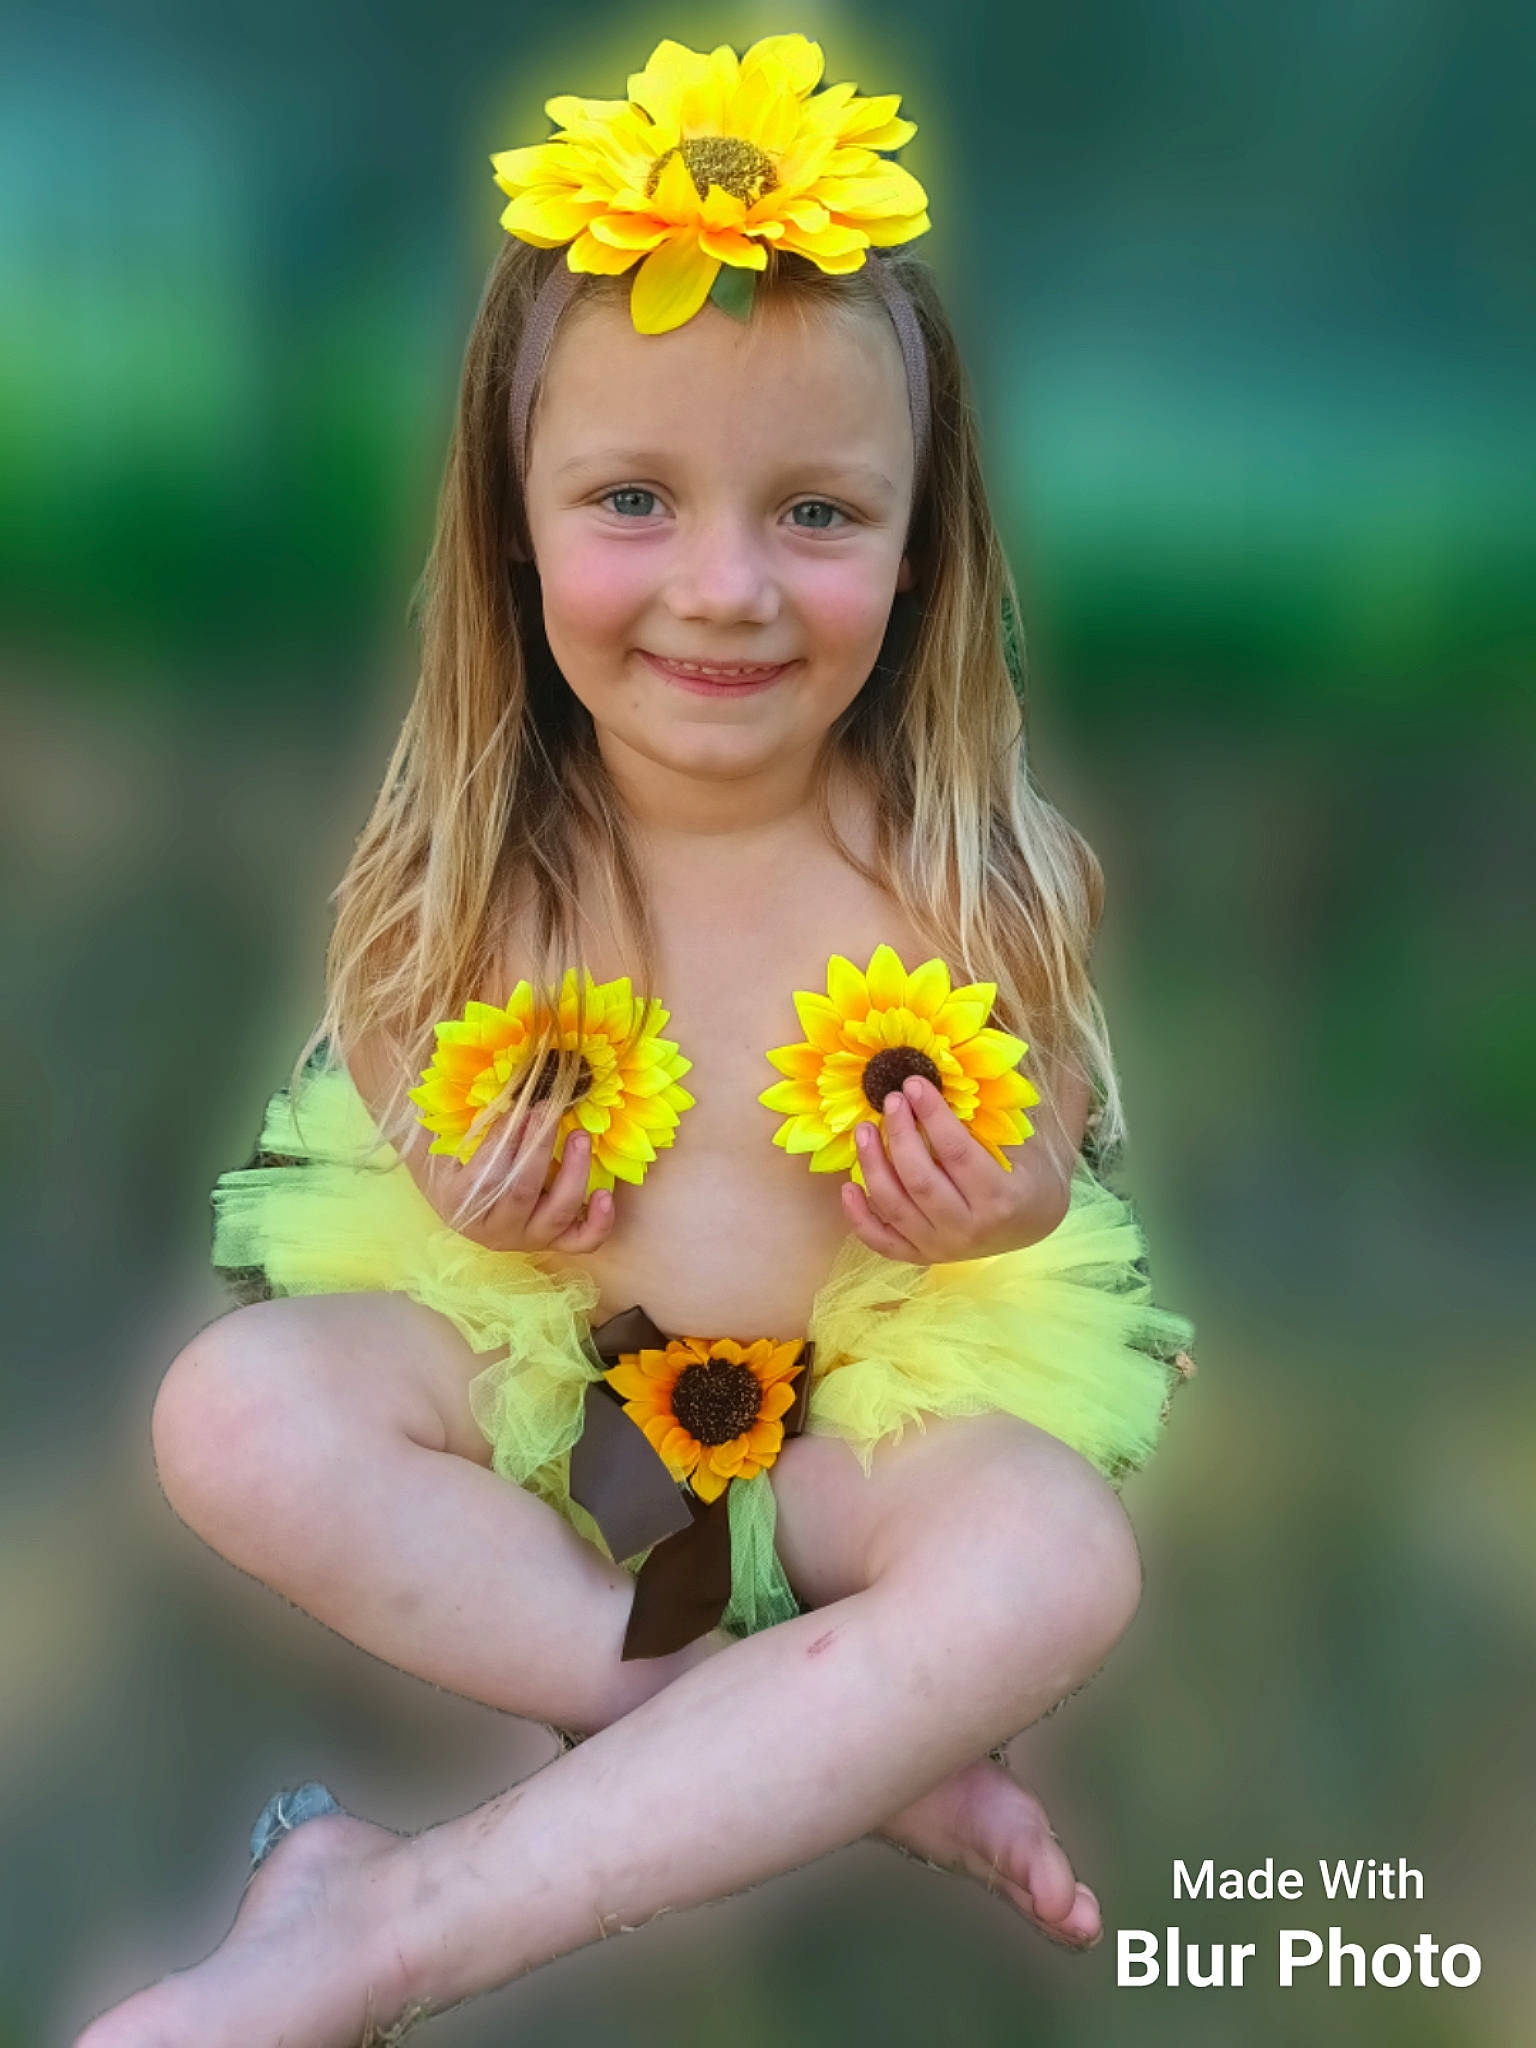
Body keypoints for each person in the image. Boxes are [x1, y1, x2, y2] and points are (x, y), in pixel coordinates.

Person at [77, 33, 1195, 2047]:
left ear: (924, 539)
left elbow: (1054, 1160)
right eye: (631, 498)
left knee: (1057, 1558)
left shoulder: (964, 865)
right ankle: (746, 1724)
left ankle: (377, 1923)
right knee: (228, 1410)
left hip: (845, 1442)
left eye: (820, 512)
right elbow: (418, 1118)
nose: (727, 586)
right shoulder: (480, 856)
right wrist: (471, 1178)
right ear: (511, 525)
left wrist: (994, 1197)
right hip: (548, 1414)